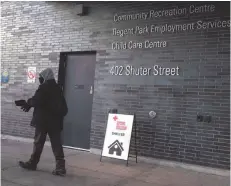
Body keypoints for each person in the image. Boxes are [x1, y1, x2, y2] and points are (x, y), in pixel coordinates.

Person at [19, 68, 68, 176]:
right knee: (56, 144)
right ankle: (60, 167)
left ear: (45, 77)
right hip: (55, 122)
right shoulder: (57, 88)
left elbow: (37, 100)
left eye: (41, 77)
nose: (40, 79)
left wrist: (28, 103)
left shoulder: (44, 87)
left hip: (43, 121)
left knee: (38, 143)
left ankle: (32, 163)